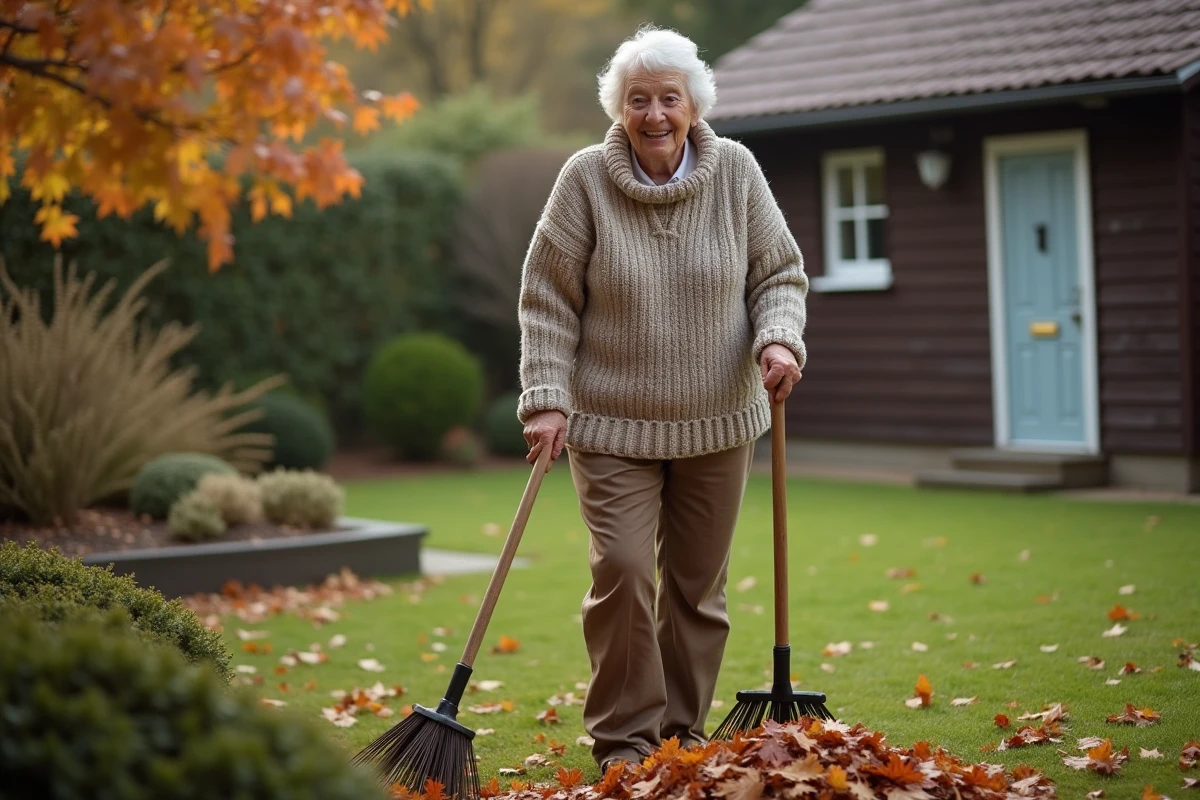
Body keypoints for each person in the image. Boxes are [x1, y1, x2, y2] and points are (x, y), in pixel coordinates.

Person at [516, 25, 808, 774]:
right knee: (619, 569)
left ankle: (680, 739)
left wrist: (778, 338)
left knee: (695, 591)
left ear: (693, 105)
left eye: (668, 99)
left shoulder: (737, 172)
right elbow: (548, 299)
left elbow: (777, 273)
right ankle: (625, 744)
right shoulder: (584, 180)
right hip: (611, 424)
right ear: (619, 108)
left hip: (718, 421)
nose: (654, 114)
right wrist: (547, 397)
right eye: (638, 99)